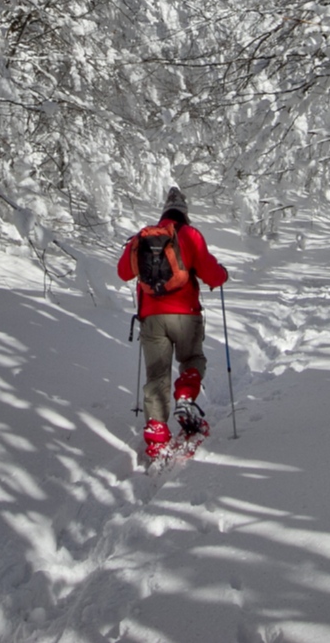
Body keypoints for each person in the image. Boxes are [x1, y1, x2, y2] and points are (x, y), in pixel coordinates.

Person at [117, 186, 229, 459]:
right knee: (192, 359)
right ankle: (185, 398)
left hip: (151, 318)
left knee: (157, 375)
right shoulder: (189, 235)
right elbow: (211, 273)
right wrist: (222, 275)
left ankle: (156, 434)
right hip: (186, 314)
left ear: (164, 213)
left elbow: (123, 272)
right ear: (184, 214)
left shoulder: (143, 237)